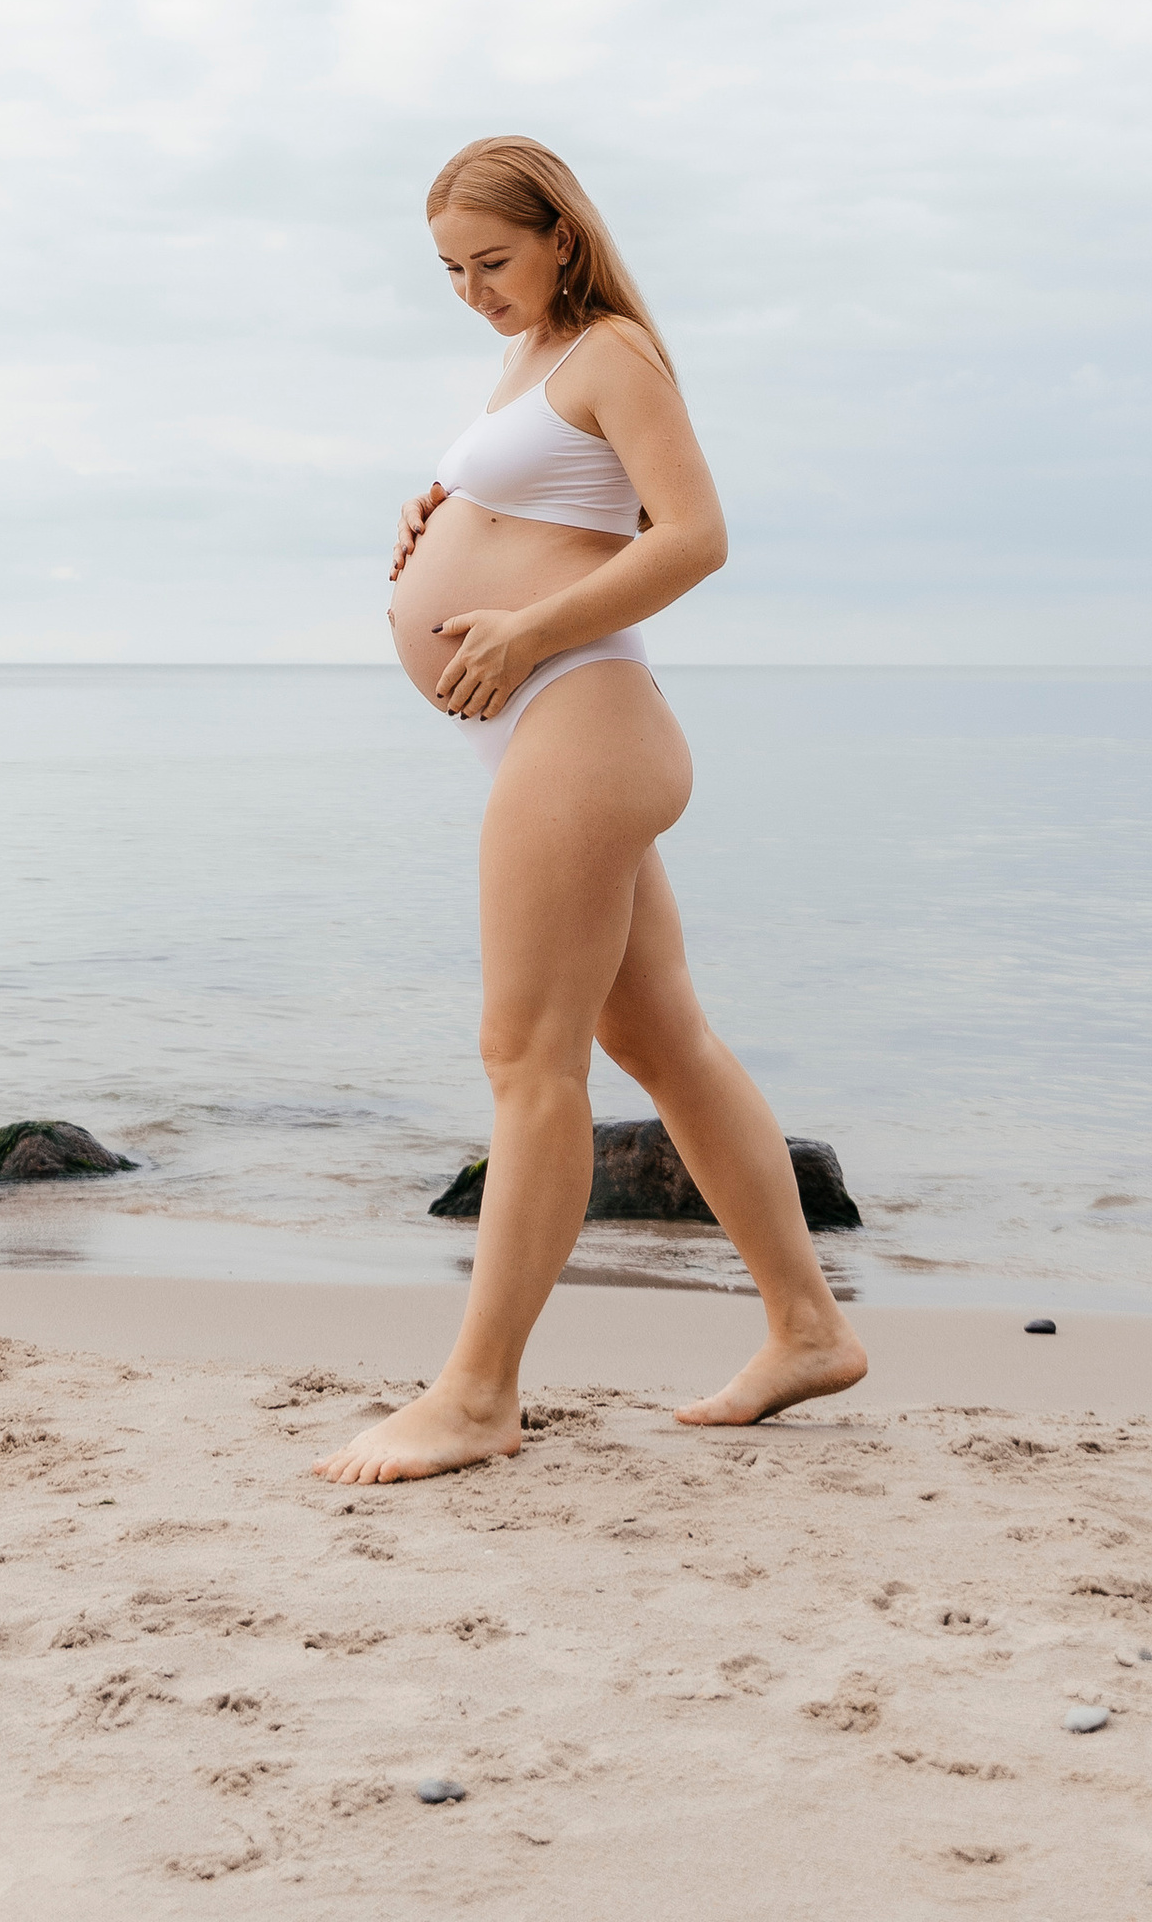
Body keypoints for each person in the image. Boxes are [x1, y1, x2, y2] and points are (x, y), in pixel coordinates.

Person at [313, 135, 865, 1483]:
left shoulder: (614, 350)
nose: (474, 291)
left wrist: (525, 622)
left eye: (493, 261)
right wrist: (438, 523)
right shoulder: (527, 364)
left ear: (562, 234)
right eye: (451, 270)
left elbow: (694, 536)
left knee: (526, 1058)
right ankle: (807, 1329)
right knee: (662, 1040)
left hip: (584, 717)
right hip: (539, 728)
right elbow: (550, 506)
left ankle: (477, 1395)